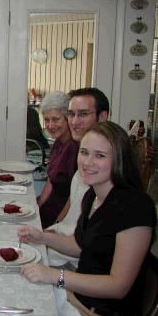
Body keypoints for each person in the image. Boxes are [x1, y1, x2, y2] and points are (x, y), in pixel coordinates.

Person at [18, 121, 156, 316]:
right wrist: (42, 237)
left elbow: (117, 286)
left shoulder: (135, 207)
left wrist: (55, 275)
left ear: (119, 159)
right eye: (84, 152)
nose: (87, 162)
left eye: (99, 155)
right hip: (79, 299)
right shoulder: (94, 195)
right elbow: (81, 246)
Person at [45, 87, 110, 266]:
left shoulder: (103, 171)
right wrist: (52, 230)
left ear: (102, 117)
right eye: (71, 114)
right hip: (64, 242)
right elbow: (72, 206)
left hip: (74, 261)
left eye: (82, 114)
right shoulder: (83, 158)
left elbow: (89, 244)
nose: (74, 121)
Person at [37, 91, 79, 228]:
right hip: (49, 207)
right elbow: (50, 180)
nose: (50, 125)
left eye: (55, 119)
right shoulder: (58, 142)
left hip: (62, 214)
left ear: (68, 118)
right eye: (47, 120)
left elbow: (75, 197)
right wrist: (38, 205)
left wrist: (58, 225)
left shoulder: (75, 148)